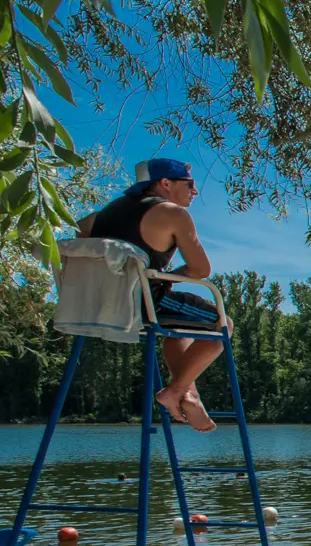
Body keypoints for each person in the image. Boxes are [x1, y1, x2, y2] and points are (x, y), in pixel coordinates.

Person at [76, 158, 223, 432]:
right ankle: (176, 391)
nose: (195, 191)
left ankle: (188, 393)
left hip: (100, 305)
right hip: (144, 304)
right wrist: (165, 278)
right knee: (221, 325)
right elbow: (201, 269)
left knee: (178, 330)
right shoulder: (172, 213)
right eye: (190, 184)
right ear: (166, 184)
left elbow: (79, 239)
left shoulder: (102, 216)